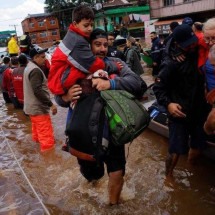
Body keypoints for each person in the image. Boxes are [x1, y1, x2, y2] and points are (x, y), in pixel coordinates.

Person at [55, 28, 146, 205]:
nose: (103, 49)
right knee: (92, 177)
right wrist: (65, 97)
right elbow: (58, 97)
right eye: (97, 44)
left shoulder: (116, 63)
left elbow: (138, 83)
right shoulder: (75, 67)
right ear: (88, 46)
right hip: (84, 134)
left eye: (105, 44)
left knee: (117, 171)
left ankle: (112, 207)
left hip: (113, 130)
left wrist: (110, 83)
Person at [153, 24, 209, 178]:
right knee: (175, 150)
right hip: (179, 111)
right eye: (187, 44)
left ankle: (191, 170)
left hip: (199, 110)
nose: (192, 46)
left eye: (192, 42)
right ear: (178, 44)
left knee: (198, 146)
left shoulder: (199, 51)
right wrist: (168, 104)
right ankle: (168, 178)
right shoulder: (171, 62)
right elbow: (158, 88)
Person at [48, 4, 121, 95]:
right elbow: (93, 65)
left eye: (91, 25)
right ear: (75, 24)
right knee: (96, 74)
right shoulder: (77, 40)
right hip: (60, 81)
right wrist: (114, 66)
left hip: (59, 78)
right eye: (86, 25)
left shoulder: (75, 36)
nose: (90, 28)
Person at [23, 45, 57, 152]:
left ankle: (38, 156)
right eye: (42, 57)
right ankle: (48, 161)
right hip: (38, 109)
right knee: (47, 141)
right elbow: (37, 90)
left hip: (31, 108)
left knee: (38, 134)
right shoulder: (36, 70)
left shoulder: (29, 67)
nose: (45, 59)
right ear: (35, 57)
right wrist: (51, 104)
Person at [201, 18, 215, 134]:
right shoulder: (205, 48)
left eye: (214, 38)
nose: (210, 42)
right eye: (207, 38)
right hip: (209, 98)